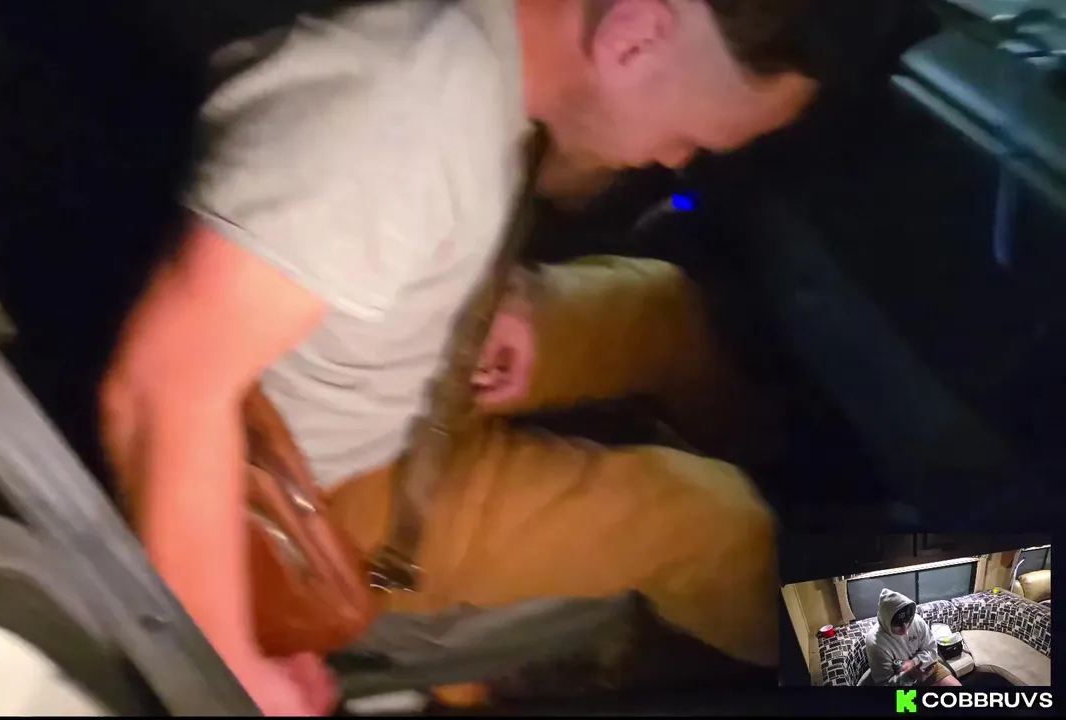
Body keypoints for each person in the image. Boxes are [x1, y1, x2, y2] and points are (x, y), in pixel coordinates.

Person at [101, 0, 914, 714]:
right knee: (701, 521)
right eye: (687, 137)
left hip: (405, 363)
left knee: (657, 306)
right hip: (332, 488)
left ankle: (803, 505)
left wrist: (492, 290)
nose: (677, 161)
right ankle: (958, 649)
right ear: (634, 39)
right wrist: (226, 664)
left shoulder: (490, 46)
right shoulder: (387, 116)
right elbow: (160, 390)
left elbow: (412, 209)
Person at [865, 589, 963, 687]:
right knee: (913, 698)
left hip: (928, 667)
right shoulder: (875, 643)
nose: (905, 630)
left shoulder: (917, 621)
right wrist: (910, 676)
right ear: (887, 621)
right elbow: (885, 684)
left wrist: (913, 662)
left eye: (907, 622)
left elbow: (932, 650)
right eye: (898, 625)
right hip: (902, 681)